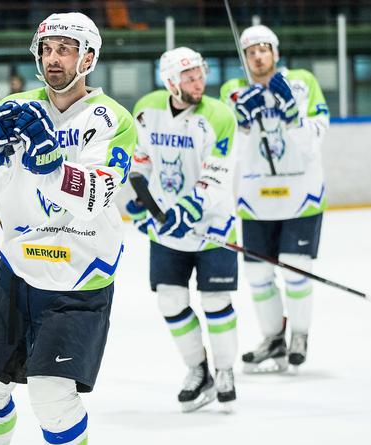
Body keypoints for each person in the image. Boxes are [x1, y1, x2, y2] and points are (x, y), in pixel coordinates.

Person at [0, 12, 135, 444]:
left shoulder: (113, 119)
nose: (53, 59)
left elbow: (94, 199)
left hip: (80, 275)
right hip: (17, 271)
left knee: (53, 399)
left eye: (65, 50)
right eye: (47, 49)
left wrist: (52, 166)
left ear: (88, 57)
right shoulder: (17, 109)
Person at [127, 47, 239, 412]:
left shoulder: (219, 115)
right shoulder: (147, 109)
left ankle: (224, 371)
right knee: (171, 300)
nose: (198, 82)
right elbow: (141, 161)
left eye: (200, 74)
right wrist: (140, 199)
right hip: (168, 230)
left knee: (215, 301)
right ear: (171, 81)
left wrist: (188, 209)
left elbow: (216, 174)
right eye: (189, 77)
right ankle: (198, 370)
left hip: (214, 226)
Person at [219, 25, 329, 373]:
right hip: (255, 198)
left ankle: (299, 335)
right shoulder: (233, 90)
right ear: (244, 58)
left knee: (297, 270)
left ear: (276, 53)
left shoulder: (302, 82)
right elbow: (227, 145)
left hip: (302, 194)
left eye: (264, 49)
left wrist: (293, 116)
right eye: (250, 51)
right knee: (257, 273)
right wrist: (241, 121)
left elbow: (318, 134)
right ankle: (272, 338)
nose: (257, 56)